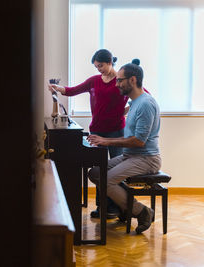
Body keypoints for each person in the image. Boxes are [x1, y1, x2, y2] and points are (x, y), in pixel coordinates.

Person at [48, 49, 127, 218]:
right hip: (97, 129)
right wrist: (57, 88)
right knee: (99, 169)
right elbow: (71, 90)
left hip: (116, 131)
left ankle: (116, 208)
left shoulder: (121, 81)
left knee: (115, 170)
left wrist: (125, 111)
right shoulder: (94, 81)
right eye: (96, 67)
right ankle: (102, 207)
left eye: (101, 66)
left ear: (110, 62)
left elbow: (142, 96)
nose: (99, 69)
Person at [87, 59, 161, 234]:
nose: (116, 84)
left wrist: (106, 141)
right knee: (95, 172)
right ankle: (124, 206)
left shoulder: (145, 104)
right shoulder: (134, 102)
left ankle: (141, 211)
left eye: (120, 80)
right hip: (131, 156)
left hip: (146, 158)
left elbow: (138, 141)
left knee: (107, 180)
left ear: (133, 80)